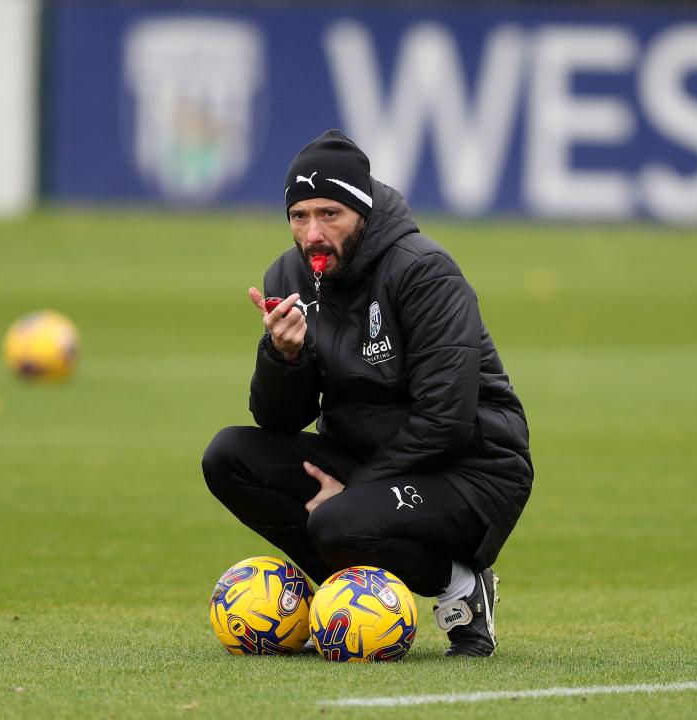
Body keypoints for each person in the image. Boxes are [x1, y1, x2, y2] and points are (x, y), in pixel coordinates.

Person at [202, 129, 532, 657]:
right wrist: (284, 356)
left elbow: (446, 420)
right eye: (299, 216)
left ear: (363, 211)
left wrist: (358, 493)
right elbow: (279, 420)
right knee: (229, 456)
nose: (312, 232)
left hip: (473, 471)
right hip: (370, 461)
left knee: (336, 519)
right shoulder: (288, 276)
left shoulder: (424, 272)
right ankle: (344, 601)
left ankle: (463, 589)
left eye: (329, 214)